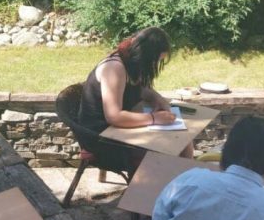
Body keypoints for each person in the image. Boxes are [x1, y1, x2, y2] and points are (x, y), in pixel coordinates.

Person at [79, 27, 191, 161]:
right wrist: (154, 118)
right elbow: (114, 117)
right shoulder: (114, 68)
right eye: (155, 61)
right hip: (99, 136)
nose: (155, 65)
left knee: (184, 140)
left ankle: (185, 172)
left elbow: (141, 88)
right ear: (146, 55)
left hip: (117, 129)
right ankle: (168, 173)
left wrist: (159, 100)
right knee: (162, 152)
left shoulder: (132, 60)